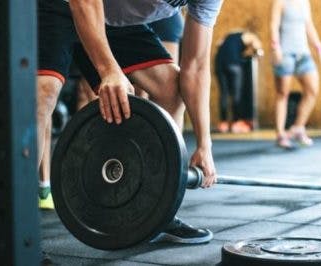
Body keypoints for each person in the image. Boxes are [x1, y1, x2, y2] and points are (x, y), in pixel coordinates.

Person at [37, 0, 222, 243]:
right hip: (59, 6)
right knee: (43, 93)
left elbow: (196, 67)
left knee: (171, 90)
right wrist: (109, 70)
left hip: (111, 21)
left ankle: (155, 209)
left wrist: (204, 144)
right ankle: (16, 228)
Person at [270, 0, 321, 149]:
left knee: (312, 90)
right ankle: (280, 134)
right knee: (282, 93)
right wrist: (275, 47)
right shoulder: (279, 2)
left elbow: (309, 26)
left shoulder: (304, 2)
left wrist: (320, 50)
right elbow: (273, 24)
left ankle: (298, 127)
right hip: (285, 54)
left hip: (303, 54)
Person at [215, 31, 263, 133]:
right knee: (236, 94)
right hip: (234, 64)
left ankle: (223, 123)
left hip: (219, 63)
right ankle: (236, 122)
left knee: (224, 94)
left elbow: (218, 44)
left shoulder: (228, 36)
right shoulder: (249, 35)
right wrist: (258, 52)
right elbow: (256, 45)